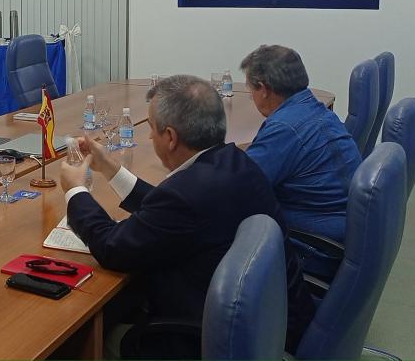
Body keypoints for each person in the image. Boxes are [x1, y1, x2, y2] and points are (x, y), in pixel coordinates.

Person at [59, 75, 314, 358]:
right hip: (271, 324)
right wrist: (109, 168)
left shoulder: (186, 195)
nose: (149, 136)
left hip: (212, 340)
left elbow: (112, 248)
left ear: (170, 137)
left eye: (153, 129)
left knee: (84, 338)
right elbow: (168, 213)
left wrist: (76, 191)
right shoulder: (233, 162)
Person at [240, 44, 362, 276]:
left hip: (314, 246)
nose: (251, 97)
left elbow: (240, 187)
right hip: (344, 228)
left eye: (251, 90)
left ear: (264, 89)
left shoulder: (285, 128)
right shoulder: (313, 108)